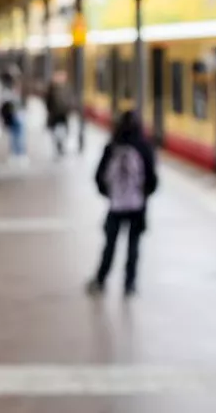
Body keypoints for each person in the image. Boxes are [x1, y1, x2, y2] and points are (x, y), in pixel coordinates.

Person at [87, 110, 157, 297]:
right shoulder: (144, 147)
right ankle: (130, 284)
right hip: (137, 206)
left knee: (110, 244)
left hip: (116, 205)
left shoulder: (112, 147)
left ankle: (101, 279)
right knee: (133, 246)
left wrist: (110, 194)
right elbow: (152, 179)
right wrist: (143, 195)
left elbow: (99, 176)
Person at [44, 70, 74, 157]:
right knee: (56, 130)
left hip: (63, 114)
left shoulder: (67, 87)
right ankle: (58, 145)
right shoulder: (52, 88)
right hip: (55, 113)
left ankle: (61, 145)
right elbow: (48, 101)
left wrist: (69, 109)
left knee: (63, 130)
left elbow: (70, 99)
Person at [0, 72, 26, 166]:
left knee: (19, 135)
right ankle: (16, 153)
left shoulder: (15, 90)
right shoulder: (9, 89)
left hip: (18, 113)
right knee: (15, 135)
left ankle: (20, 153)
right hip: (14, 114)